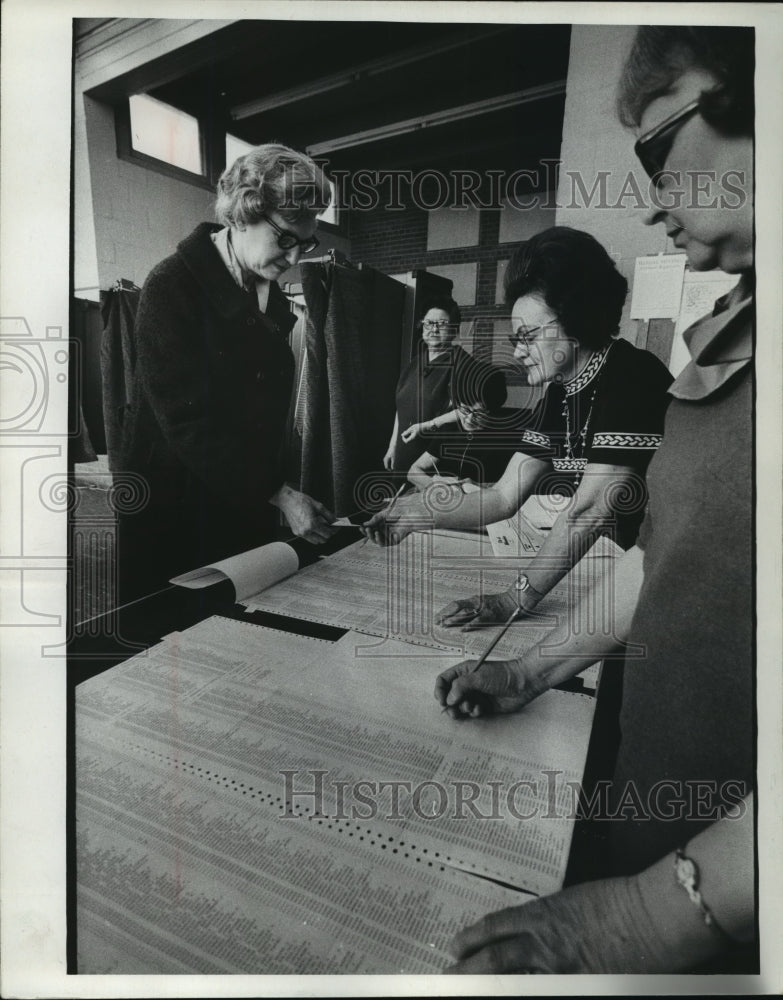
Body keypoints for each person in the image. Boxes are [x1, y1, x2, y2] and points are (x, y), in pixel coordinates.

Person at [436, 26, 756, 974]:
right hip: (664, 824)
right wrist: (530, 669)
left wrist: (654, 914)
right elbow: (675, 559)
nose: (652, 199)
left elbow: (583, 516)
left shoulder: (627, 376)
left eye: (660, 147)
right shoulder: (737, 330)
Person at [364, 227, 674, 625]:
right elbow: (502, 497)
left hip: (673, 573)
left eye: (527, 336)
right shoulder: (562, 393)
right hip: (633, 566)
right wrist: (414, 511)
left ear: (576, 322)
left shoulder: (631, 376)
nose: (516, 351)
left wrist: (512, 600)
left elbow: (590, 511)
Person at [118, 143, 338, 602]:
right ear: (241, 214)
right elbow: (188, 423)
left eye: (306, 243)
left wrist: (273, 492)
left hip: (239, 502)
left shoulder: (268, 296)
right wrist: (278, 493)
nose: (296, 259)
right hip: (176, 512)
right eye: (285, 239)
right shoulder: (172, 287)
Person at [383, 297, 471, 473]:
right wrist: (393, 446)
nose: (434, 329)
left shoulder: (462, 364)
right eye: (429, 323)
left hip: (433, 462)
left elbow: (468, 410)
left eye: (442, 324)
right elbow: (401, 408)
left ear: (455, 330)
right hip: (403, 454)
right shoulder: (415, 363)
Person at [406, 358, 518, 490]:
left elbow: (514, 487)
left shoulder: (507, 438)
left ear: (493, 410)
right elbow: (413, 471)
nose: (469, 419)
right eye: (465, 410)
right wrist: (435, 485)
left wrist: (477, 486)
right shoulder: (450, 428)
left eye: (479, 413)